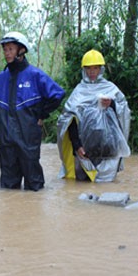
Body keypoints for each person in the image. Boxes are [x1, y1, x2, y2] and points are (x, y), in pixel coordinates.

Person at [0, 31, 65, 191]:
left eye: (10, 49)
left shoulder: (35, 75)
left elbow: (57, 94)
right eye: (5, 50)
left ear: (21, 50)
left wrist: (42, 114)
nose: (7, 53)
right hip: (6, 140)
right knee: (8, 190)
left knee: (34, 187)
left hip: (27, 138)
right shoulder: (1, 78)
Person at [57, 49, 131, 182]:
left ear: (101, 70)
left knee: (106, 186)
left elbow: (124, 112)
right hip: (84, 149)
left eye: (95, 68)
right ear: (83, 70)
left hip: (108, 146)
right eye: (88, 68)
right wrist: (77, 145)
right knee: (82, 186)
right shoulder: (79, 92)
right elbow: (69, 120)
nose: (92, 72)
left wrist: (112, 104)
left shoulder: (111, 89)